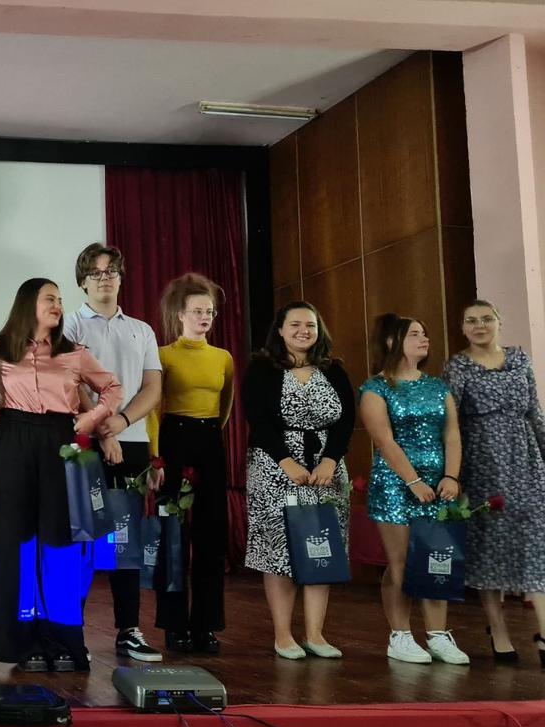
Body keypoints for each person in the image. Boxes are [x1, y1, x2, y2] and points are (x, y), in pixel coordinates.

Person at [0, 277, 121, 673]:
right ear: (28, 305)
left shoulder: (73, 353)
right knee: (16, 543)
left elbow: (112, 388)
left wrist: (90, 419)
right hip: (12, 440)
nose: (58, 305)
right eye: (49, 298)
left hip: (60, 440)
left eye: (59, 299)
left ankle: (63, 640)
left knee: (59, 545)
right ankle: (22, 643)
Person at [63, 243, 164, 662]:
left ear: (121, 279)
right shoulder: (70, 325)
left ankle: (129, 630)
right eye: (96, 272)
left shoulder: (141, 329)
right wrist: (103, 430)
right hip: (86, 442)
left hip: (132, 442)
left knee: (124, 541)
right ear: (82, 281)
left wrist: (121, 423)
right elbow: (72, 383)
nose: (104, 278)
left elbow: (152, 388)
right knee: (83, 539)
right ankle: (71, 634)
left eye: (112, 271)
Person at [242, 302, 355, 660]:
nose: (303, 330)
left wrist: (330, 460)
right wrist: (286, 461)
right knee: (280, 549)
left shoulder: (333, 369)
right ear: (279, 330)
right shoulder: (262, 368)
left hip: (327, 470)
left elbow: (346, 421)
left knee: (321, 545)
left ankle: (316, 635)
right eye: (295, 324)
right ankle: (283, 636)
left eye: (310, 325)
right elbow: (257, 419)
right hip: (274, 466)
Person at [360, 314, 467, 665]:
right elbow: (384, 440)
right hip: (396, 484)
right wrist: (413, 481)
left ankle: (438, 635)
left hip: (438, 484)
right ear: (392, 341)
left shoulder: (437, 387)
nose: (424, 339)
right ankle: (400, 635)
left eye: (425, 333)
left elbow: (452, 435)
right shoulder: (376, 387)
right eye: (415, 334)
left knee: (437, 559)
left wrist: (451, 476)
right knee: (402, 562)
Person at [442, 300, 545, 665]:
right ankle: (498, 630)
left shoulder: (519, 359)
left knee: (536, 540)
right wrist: (452, 473)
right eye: (471, 320)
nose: (480, 325)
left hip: (526, 457)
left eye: (487, 318)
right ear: (463, 328)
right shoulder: (457, 366)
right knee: (490, 545)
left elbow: (534, 411)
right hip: (482, 459)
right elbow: (450, 421)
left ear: (499, 322)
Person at [147, 273, 234, 654]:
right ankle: (174, 625)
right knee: (173, 536)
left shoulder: (223, 358)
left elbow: (225, 407)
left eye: (209, 312)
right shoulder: (163, 354)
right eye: (197, 311)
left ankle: (206, 625)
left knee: (211, 538)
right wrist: (156, 456)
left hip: (210, 440)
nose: (204, 317)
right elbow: (154, 409)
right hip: (174, 439)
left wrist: (208, 436)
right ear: (180, 314)